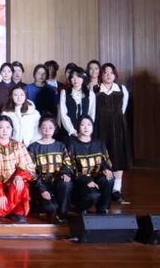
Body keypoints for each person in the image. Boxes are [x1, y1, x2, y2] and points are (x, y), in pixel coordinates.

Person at [0, 116, 35, 222]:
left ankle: (16, 211)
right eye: (1, 127)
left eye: (8, 127)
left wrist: (19, 176)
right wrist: (0, 193)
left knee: (20, 185)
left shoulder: (18, 146)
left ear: (12, 129)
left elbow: (28, 167)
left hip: (14, 183)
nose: (4, 130)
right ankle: (7, 210)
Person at [95, 63, 130, 203]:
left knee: (118, 156)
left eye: (111, 72)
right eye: (105, 72)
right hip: (101, 127)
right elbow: (92, 110)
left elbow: (123, 109)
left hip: (118, 128)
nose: (108, 75)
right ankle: (102, 188)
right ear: (101, 75)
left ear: (115, 75)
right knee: (102, 156)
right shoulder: (95, 89)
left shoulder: (122, 89)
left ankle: (117, 189)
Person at [27, 116, 73, 223]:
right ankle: (44, 207)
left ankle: (62, 215)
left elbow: (67, 164)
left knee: (67, 183)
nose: (47, 130)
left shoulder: (60, 146)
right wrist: (42, 189)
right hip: (41, 185)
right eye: (44, 127)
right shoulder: (33, 147)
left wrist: (65, 173)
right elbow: (31, 171)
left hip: (57, 182)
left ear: (55, 129)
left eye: (50, 128)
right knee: (50, 207)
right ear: (40, 128)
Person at [68, 115, 114, 214]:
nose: (86, 128)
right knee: (93, 195)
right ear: (78, 127)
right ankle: (81, 207)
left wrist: (106, 169)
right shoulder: (72, 144)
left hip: (96, 177)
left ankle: (103, 208)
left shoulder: (99, 143)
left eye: (89, 125)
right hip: (80, 180)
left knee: (109, 178)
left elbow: (105, 161)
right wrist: (86, 180)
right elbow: (70, 168)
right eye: (83, 125)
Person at [58, 67, 96, 142]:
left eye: (78, 77)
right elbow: (63, 113)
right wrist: (71, 130)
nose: (75, 80)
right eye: (73, 77)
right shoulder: (64, 93)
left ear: (83, 78)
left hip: (85, 132)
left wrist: (86, 129)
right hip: (68, 130)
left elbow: (91, 114)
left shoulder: (90, 94)